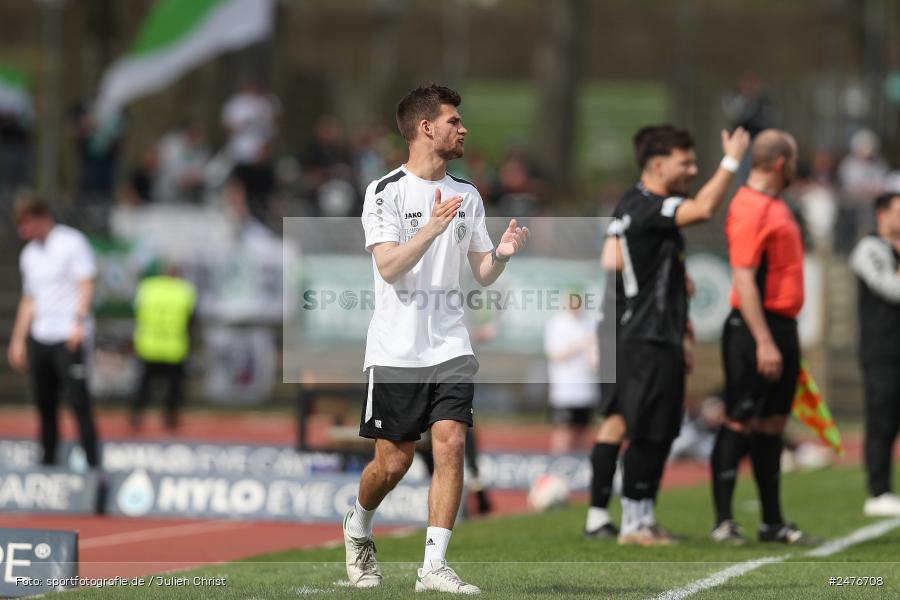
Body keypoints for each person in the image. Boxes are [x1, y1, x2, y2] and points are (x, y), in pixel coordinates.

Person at [343, 84, 529, 593]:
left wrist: (504, 253)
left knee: (451, 444)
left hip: (450, 344)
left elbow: (482, 273)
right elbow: (389, 267)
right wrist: (428, 229)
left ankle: (434, 567)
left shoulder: (468, 194)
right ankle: (358, 523)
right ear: (426, 128)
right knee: (394, 462)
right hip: (396, 349)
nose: (463, 128)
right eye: (453, 121)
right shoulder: (385, 191)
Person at [597, 124, 750, 546]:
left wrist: (683, 331)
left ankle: (644, 517)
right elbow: (702, 208)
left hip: (662, 336)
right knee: (646, 428)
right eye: (686, 162)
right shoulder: (642, 204)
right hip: (641, 337)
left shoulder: (657, 206)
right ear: (658, 164)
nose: (693, 169)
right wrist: (732, 161)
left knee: (663, 430)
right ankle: (630, 524)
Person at [710, 129, 817, 545]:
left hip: (781, 327)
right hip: (756, 329)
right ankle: (722, 521)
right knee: (739, 420)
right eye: (793, 160)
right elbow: (744, 277)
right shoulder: (751, 207)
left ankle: (772, 522)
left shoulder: (776, 205)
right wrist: (764, 341)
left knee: (773, 424)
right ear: (780, 164)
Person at [6, 195, 100, 468]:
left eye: (26, 224)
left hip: (68, 336)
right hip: (41, 336)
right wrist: (18, 341)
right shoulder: (30, 254)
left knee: (78, 403)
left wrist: (79, 324)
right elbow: (29, 299)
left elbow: (86, 284)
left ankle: (92, 464)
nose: (23, 231)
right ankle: (48, 463)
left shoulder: (71, 242)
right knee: (45, 406)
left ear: (41, 217)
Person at [849, 192, 900, 517]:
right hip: (883, 351)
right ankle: (878, 492)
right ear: (882, 214)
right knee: (883, 419)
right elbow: (890, 288)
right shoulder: (869, 249)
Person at [130, 267, 197, 431]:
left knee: (145, 384)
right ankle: (170, 418)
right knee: (174, 387)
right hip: (174, 346)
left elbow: (136, 311)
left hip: (148, 345)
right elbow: (192, 317)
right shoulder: (184, 290)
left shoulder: (148, 288)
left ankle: (137, 415)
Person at [543, 288, 598, 454]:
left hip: (586, 389)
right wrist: (581, 345)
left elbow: (594, 356)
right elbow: (555, 355)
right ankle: (558, 468)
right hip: (565, 390)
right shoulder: (557, 324)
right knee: (563, 432)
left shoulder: (591, 322)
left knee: (582, 432)